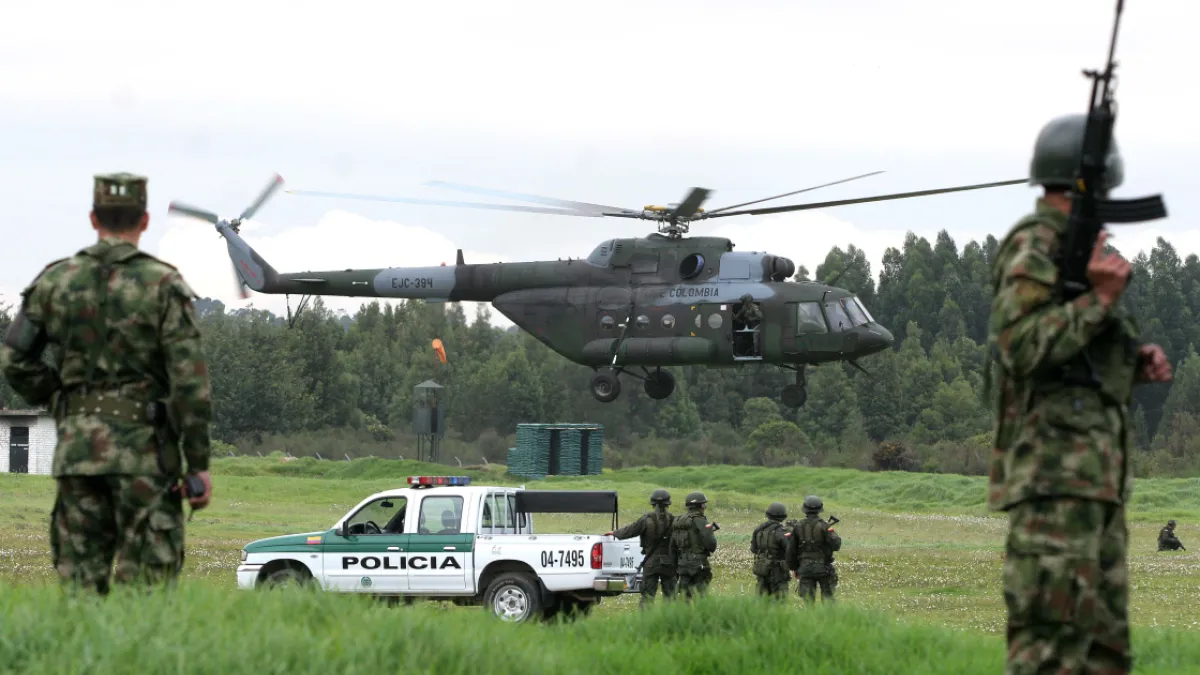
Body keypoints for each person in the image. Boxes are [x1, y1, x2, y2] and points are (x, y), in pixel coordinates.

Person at [985, 114, 1173, 674]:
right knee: (1051, 647)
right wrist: (1100, 299)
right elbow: (1019, 346)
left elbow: (1067, 360)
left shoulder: (1075, 244)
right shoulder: (1035, 244)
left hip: (1095, 486)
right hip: (1053, 485)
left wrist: (1130, 362)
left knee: (1105, 651)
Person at [0, 173, 215, 595]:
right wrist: (199, 465)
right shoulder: (164, 285)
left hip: (79, 454)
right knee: (148, 596)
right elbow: (190, 384)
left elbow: (14, 358)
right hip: (147, 458)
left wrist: (62, 400)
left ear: (93, 217)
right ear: (145, 220)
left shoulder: (56, 281)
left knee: (80, 591)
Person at [606, 488, 676, 606]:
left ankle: (645, 621)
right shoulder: (674, 520)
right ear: (668, 504)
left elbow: (629, 531)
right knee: (670, 597)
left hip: (651, 563)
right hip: (669, 564)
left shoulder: (646, 520)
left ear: (653, 504)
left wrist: (615, 533)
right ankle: (670, 621)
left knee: (648, 597)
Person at [787, 495, 840, 603]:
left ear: (805, 509)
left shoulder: (797, 527)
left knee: (808, 602)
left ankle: (809, 620)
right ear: (820, 509)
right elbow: (836, 545)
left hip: (805, 568)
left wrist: (795, 568)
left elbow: (791, 551)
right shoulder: (824, 526)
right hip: (824, 568)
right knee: (828, 600)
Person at [668, 491, 718, 601]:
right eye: (704, 504)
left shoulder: (679, 521)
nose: (705, 507)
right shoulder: (701, 521)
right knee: (701, 597)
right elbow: (712, 545)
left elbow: (672, 547)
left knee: (685, 597)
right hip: (698, 565)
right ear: (701, 505)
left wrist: (676, 565)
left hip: (682, 565)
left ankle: (684, 616)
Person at [750, 502, 790, 599]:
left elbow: (753, 549)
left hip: (762, 570)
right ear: (782, 516)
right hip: (778, 573)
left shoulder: (759, 529)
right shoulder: (782, 532)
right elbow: (789, 550)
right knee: (779, 602)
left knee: (761, 601)